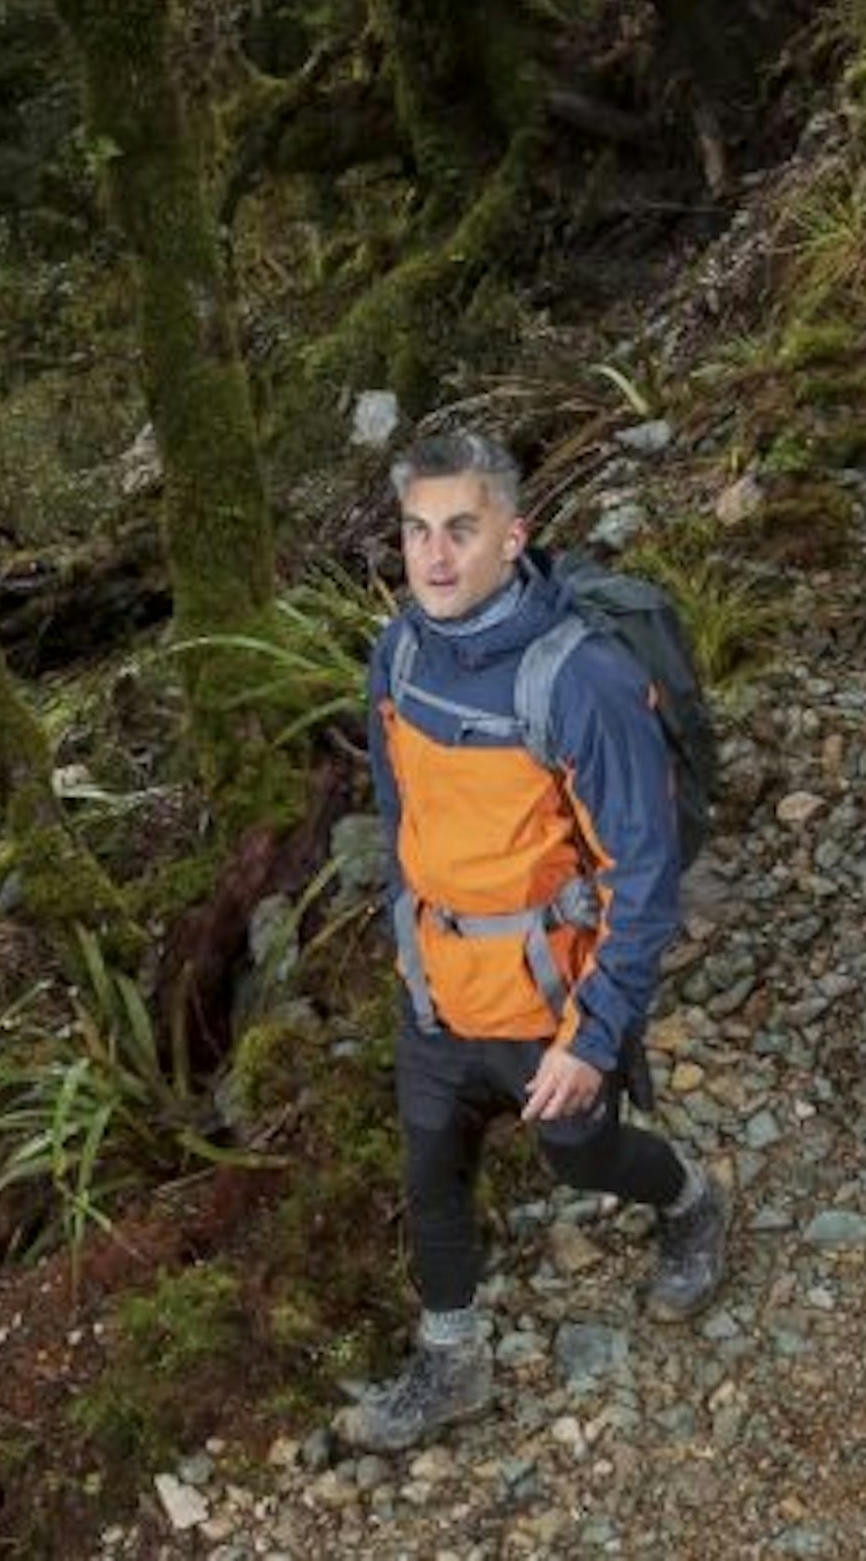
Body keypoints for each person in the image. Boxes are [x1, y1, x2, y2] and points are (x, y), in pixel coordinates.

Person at [341, 429, 730, 1453]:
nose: (434, 555)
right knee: (431, 1170)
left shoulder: (582, 680)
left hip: (546, 1003)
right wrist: (405, 932)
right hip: (436, 982)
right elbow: (397, 807)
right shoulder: (402, 648)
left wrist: (594, 1036)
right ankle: (453, 1359)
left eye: (460, 528)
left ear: (513, 534)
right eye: (418, 529)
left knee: (581, 1157)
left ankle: (689, 1198)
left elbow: (642, 879)